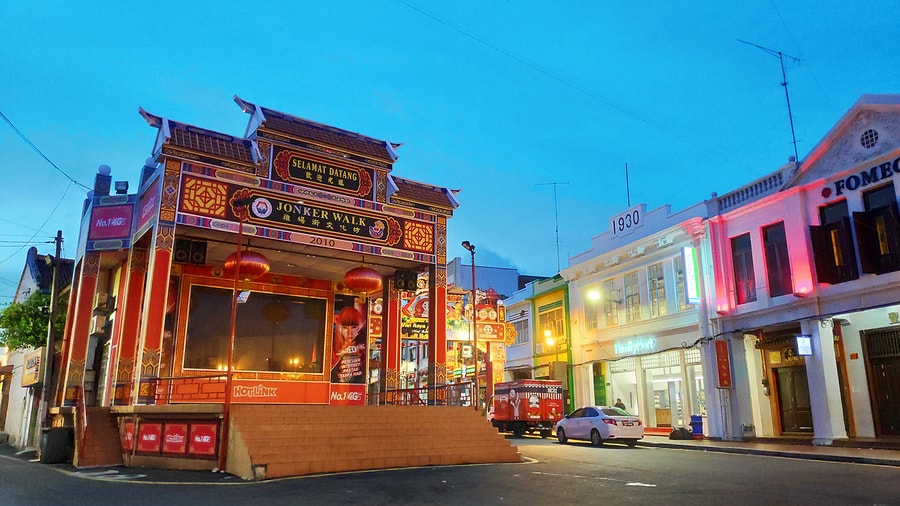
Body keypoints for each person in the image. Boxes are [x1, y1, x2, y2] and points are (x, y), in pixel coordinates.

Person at [331, 305, 366, 383]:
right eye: (345, 328)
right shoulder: (332, 346)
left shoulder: (363, 346)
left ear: (358, 327)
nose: (349, 333)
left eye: (353, 327)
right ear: (339, 328)